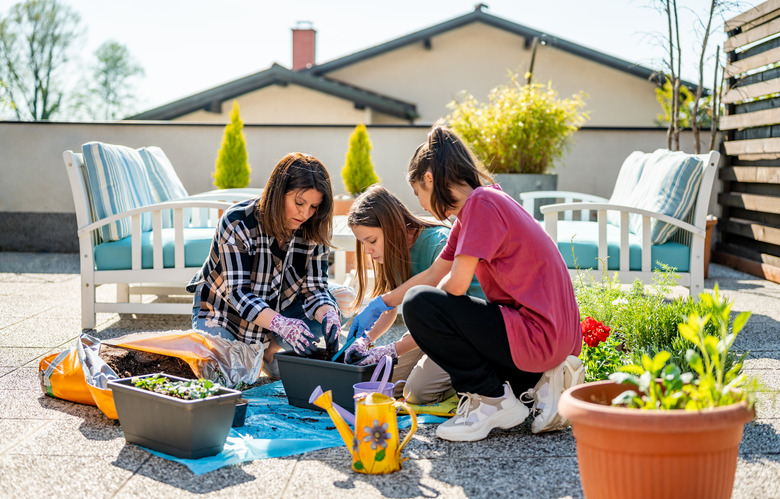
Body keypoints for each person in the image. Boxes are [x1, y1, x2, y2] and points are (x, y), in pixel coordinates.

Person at [346, 123, 584, 442]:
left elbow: (454, 286)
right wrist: (384, 302)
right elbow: (432, 275)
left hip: (537, 335)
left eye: (418, 193)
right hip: (548, 336)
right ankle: (541, 384)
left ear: (429, 179)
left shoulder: (483, 204)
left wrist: (428, 323)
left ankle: (492, 400)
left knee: (420, 303)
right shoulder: (481, 205)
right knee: (424, 300)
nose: (422, 205)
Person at [187, 152, 346, 378]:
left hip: (276, 312)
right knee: (220, 378)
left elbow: (315, 288)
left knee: (340, 300)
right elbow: (238, 294)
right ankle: (256, 352)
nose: (305, 213)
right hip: (223, 313)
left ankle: (269, 351)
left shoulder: (313, 226)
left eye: (314, 206)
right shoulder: (237, 222)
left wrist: (328, 314)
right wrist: (282, 325)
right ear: (278, 192)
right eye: (299, 203)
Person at [345, 184, 484, 404]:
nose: (368, 251)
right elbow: (388, 308)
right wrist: (365, 340)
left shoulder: (439, 242)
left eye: (371, 241)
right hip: (428, 335)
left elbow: (447, 318)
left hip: (462, 335)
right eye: (363, 244)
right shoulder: (390, 250)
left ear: (392, 228)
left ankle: (474, 385)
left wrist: (392, 349)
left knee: (415, 392)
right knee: (382, 383)